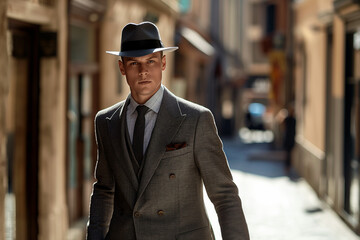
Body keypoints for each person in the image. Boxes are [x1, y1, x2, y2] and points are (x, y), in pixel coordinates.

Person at [87, 21, 249, 240]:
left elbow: (224, 195)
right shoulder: (106, 121)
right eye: (134, 63)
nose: (143, 71)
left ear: (163, 63)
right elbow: (104, 190)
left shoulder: (196, 119)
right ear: (122, 67)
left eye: (151, 61)